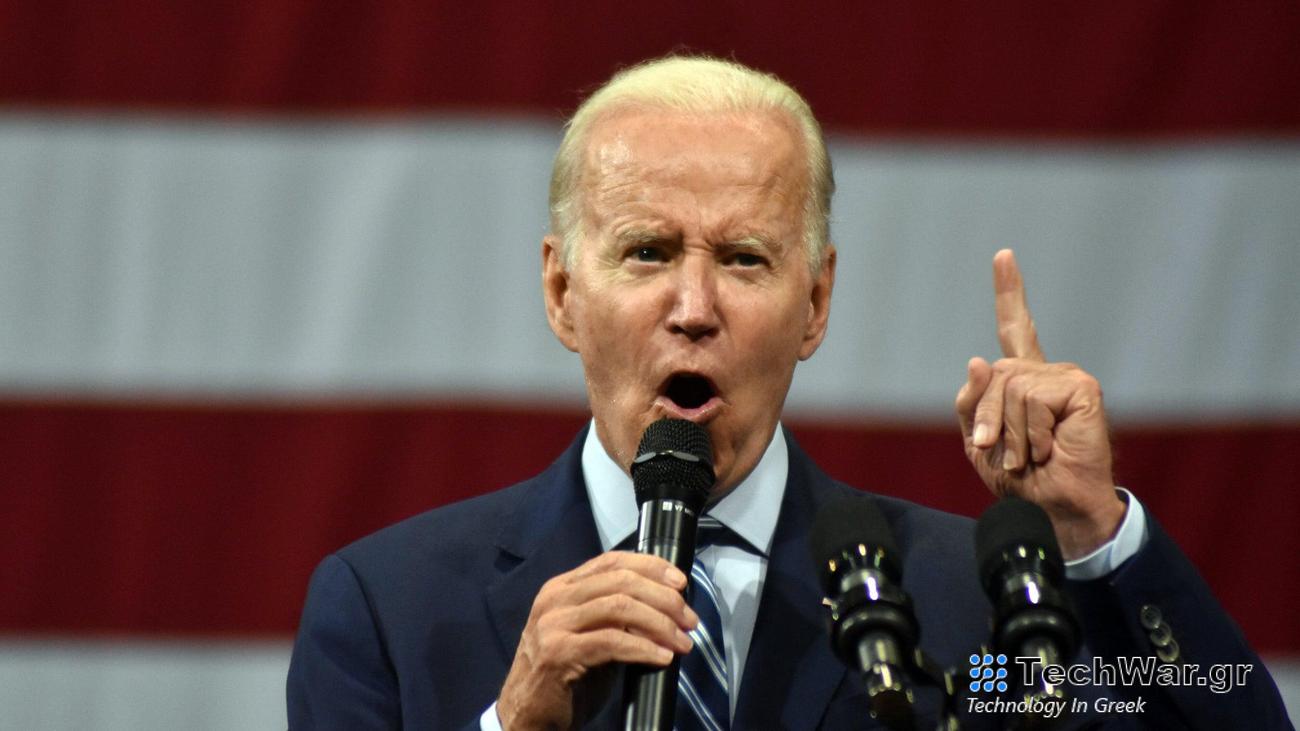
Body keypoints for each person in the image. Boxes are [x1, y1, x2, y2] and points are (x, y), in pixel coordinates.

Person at [286, 56, 1292, 730]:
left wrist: (1094, 536)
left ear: (813, 303)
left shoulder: (972, 608)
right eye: (645, 252)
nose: (693, 305)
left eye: (743, 258)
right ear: (561, 291)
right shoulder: (391, 609)